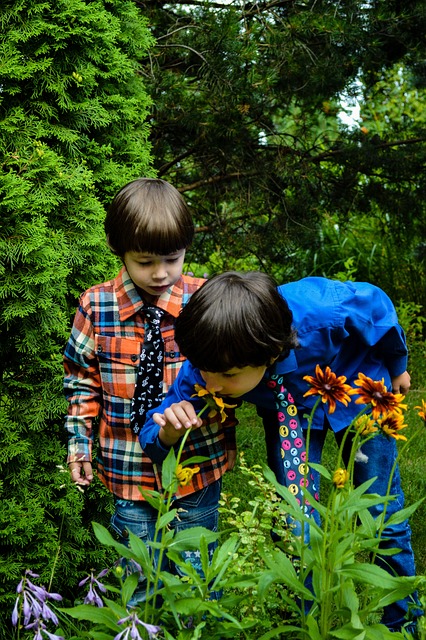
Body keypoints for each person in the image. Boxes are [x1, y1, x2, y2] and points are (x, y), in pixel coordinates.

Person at [140, 270, 422, 636]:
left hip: (361, 392)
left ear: (270, 353)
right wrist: (168, 431)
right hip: (289, 413)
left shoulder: (322, 311)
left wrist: (398, 366)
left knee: (383, 512)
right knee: (295, 519)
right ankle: (304, 623)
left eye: (226, 375)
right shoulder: (213, 361)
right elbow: (153, 432)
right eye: (205, 371)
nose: (211, 385)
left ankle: (404, 622)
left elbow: (377, 310)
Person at [63, 178, 237, 601]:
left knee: (197, 581)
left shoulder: (205, 300)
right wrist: (78, 445)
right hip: (130, 473)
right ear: (118, 251)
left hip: (196, 467)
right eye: (145, 262)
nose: (160, 273)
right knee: (138, 583)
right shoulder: (96, 307)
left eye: (172, 259)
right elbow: (80, 380)